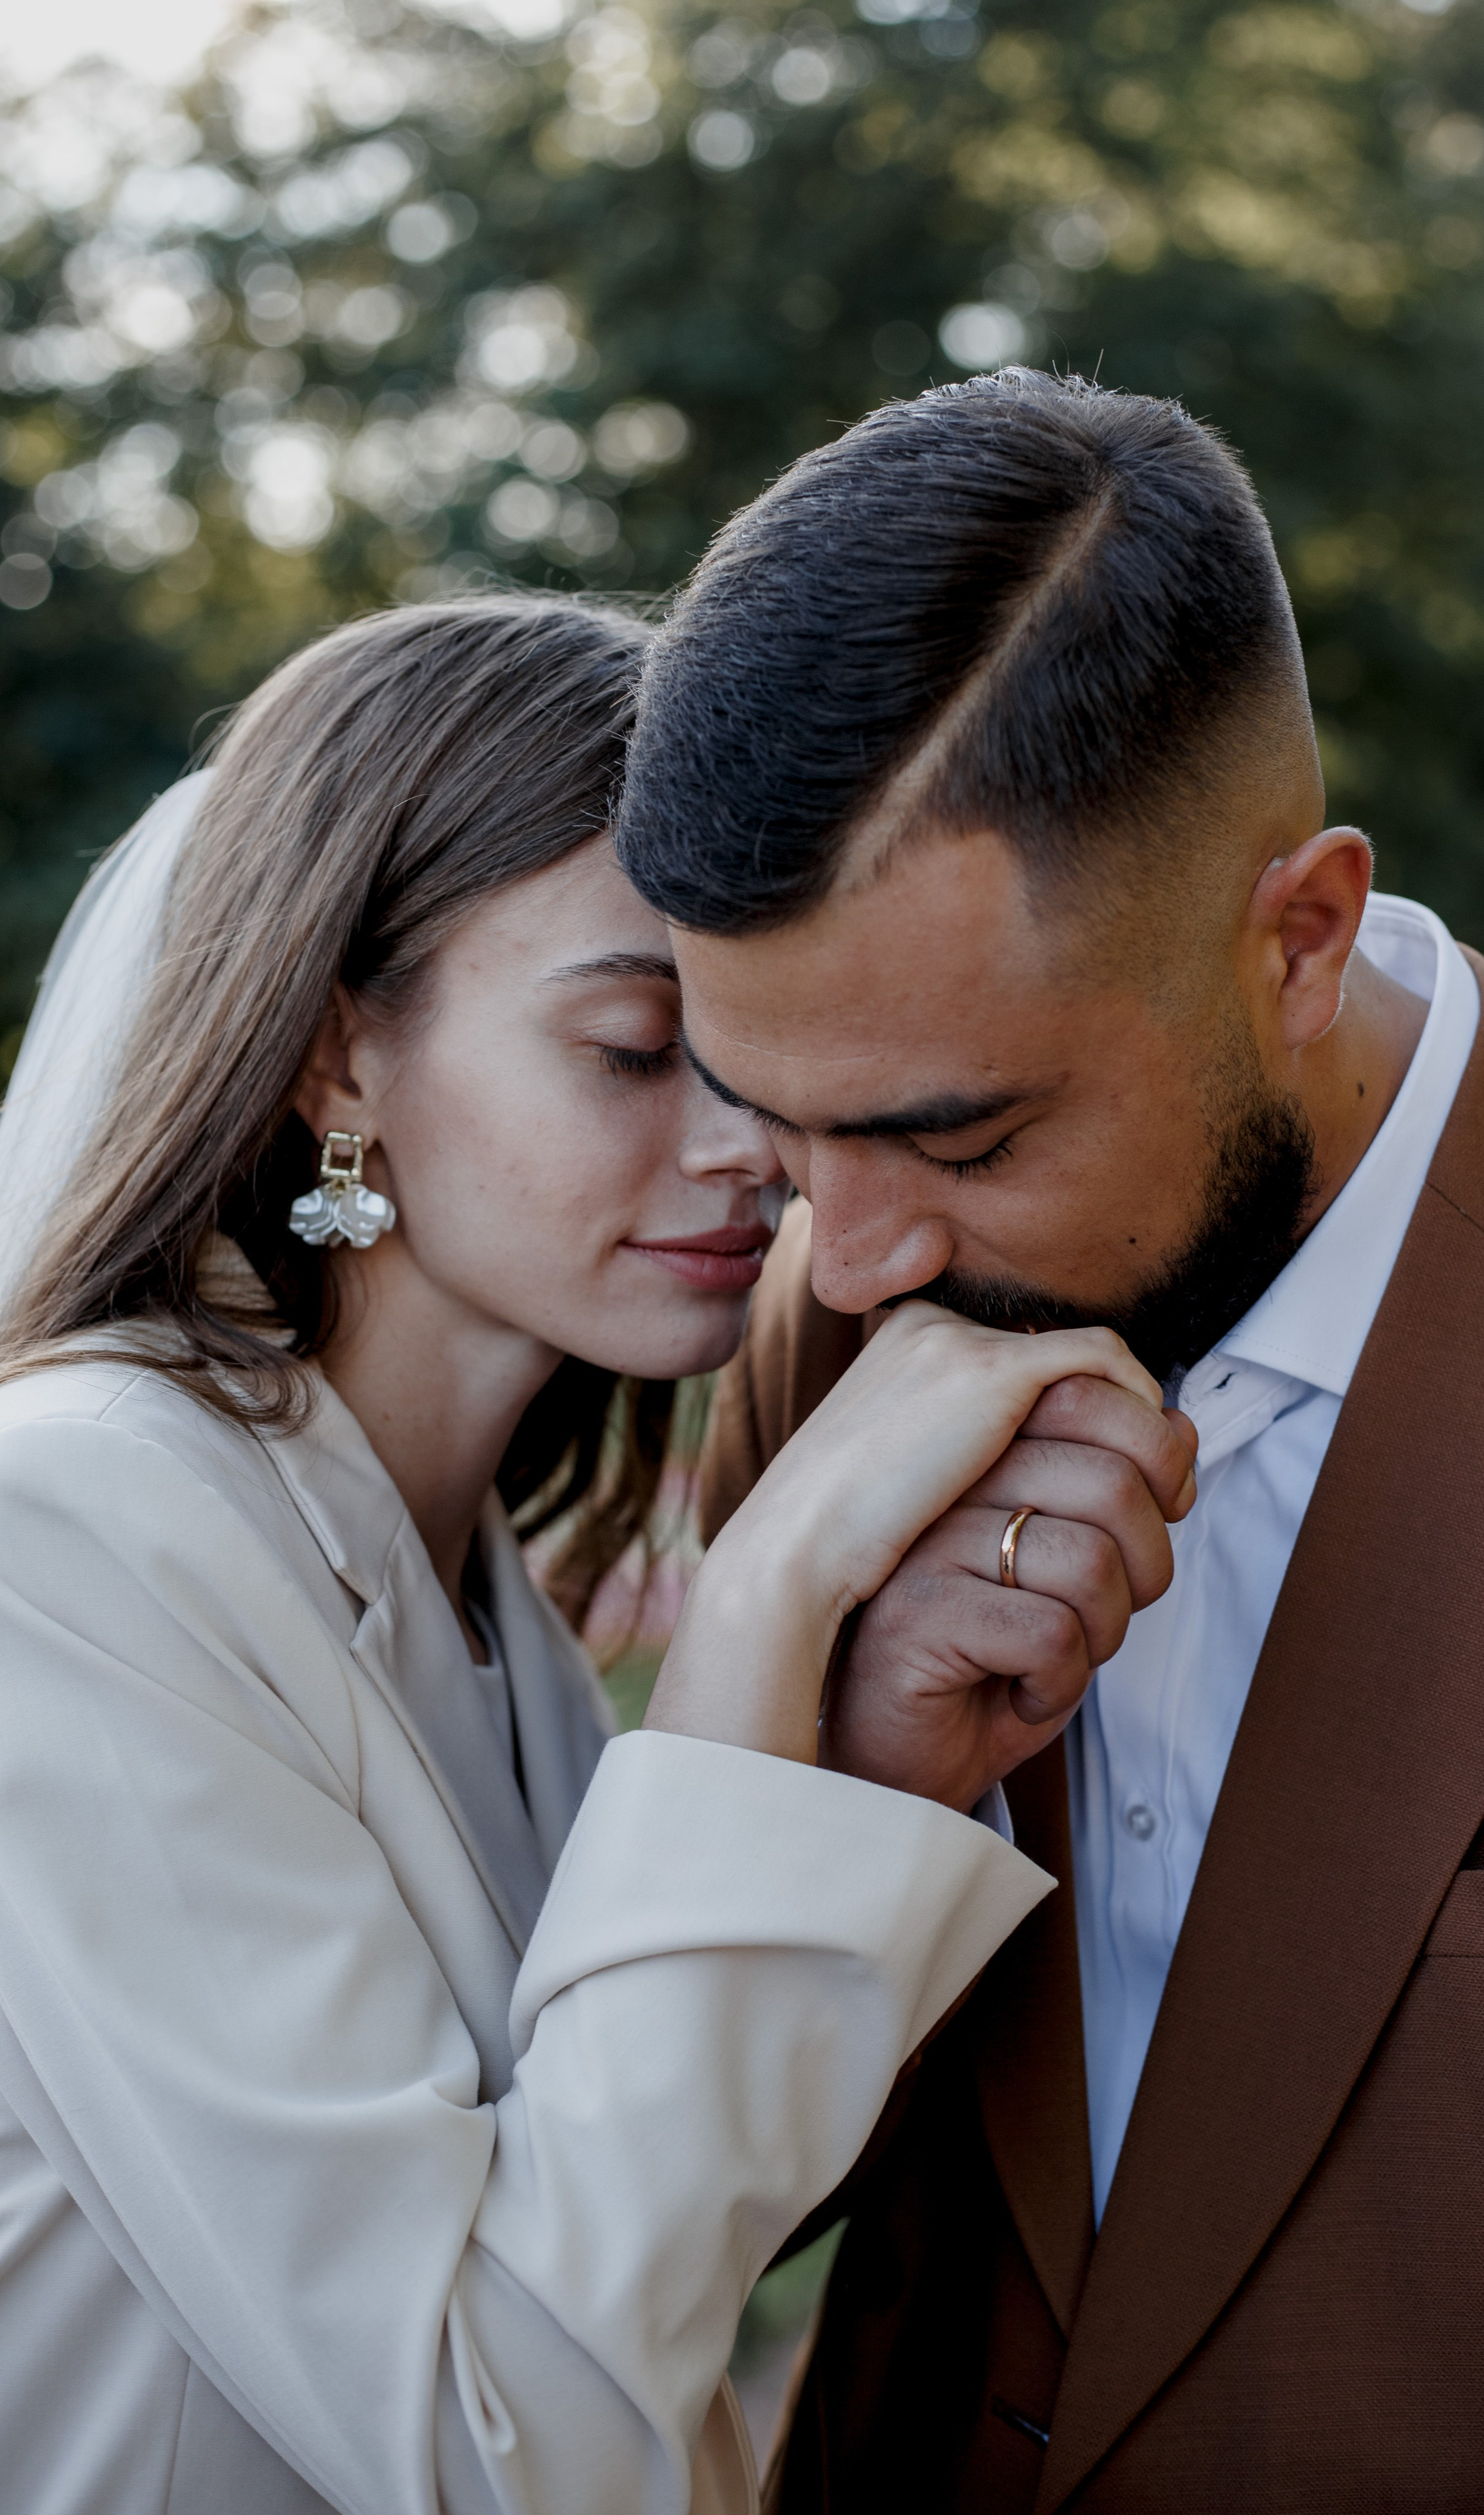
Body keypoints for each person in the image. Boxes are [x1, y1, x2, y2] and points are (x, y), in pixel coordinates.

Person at [0, 592, 1195, 2515]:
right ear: (338, 1060)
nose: (753, 1151)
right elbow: (506, 2455)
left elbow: (641, 2246)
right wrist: (768, 1598)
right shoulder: (69, 1540)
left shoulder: (484, 1614)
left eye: (760, 1057)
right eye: (642, 1046)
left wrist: (863, 1772)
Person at [615, 369, 1484, 2514]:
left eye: (962, 1134)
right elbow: (718, 2212)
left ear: (1295, 935)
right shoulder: (845, 1336)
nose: (842, 1258)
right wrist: (848, 1815)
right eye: (774, 1121)